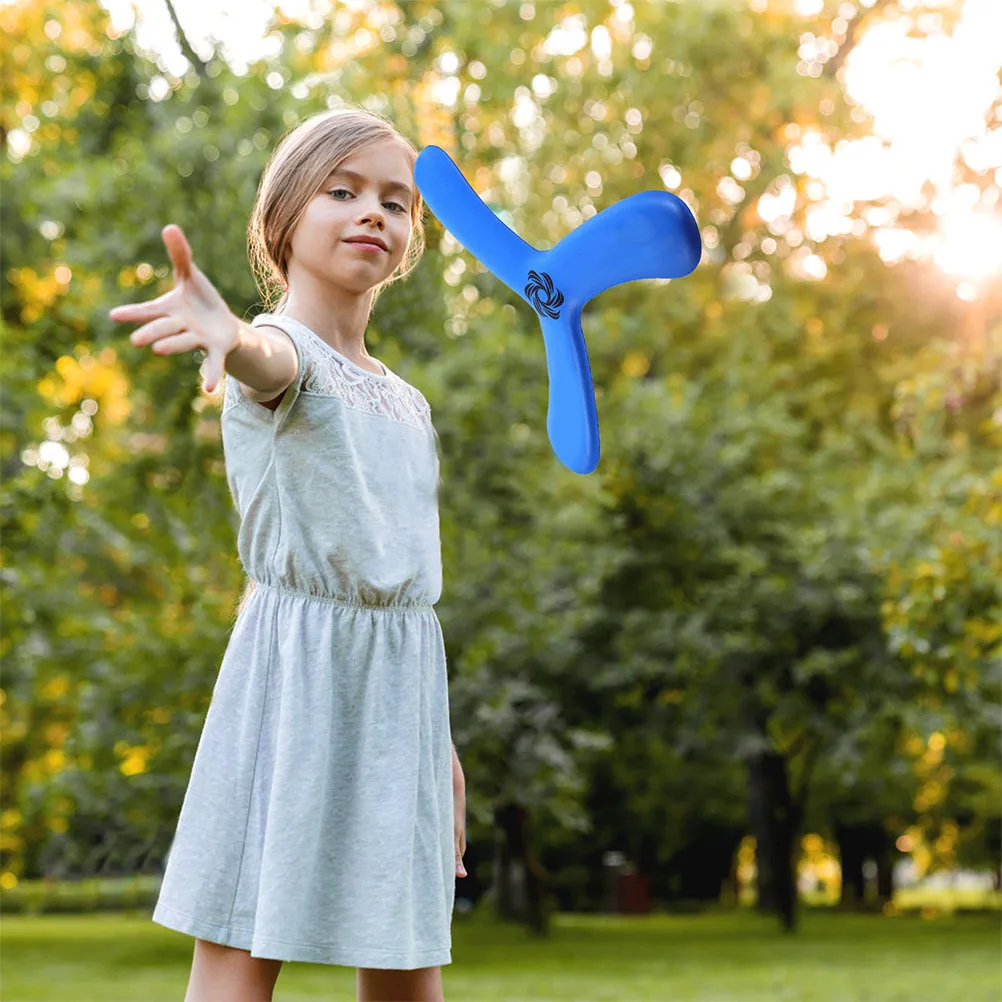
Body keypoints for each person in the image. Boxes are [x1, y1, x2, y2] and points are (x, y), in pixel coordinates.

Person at [109, 106, 467, 1002]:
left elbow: (407, 574)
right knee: (239, 952)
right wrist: (230, 340)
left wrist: (441, 745)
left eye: (396, 202)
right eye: (341, 192)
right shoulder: (281, 356)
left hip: (403, 693)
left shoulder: (409, 402)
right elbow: (271, 365)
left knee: (404, 962)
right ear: (285, 220)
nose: (372, 214)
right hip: (295, 678)